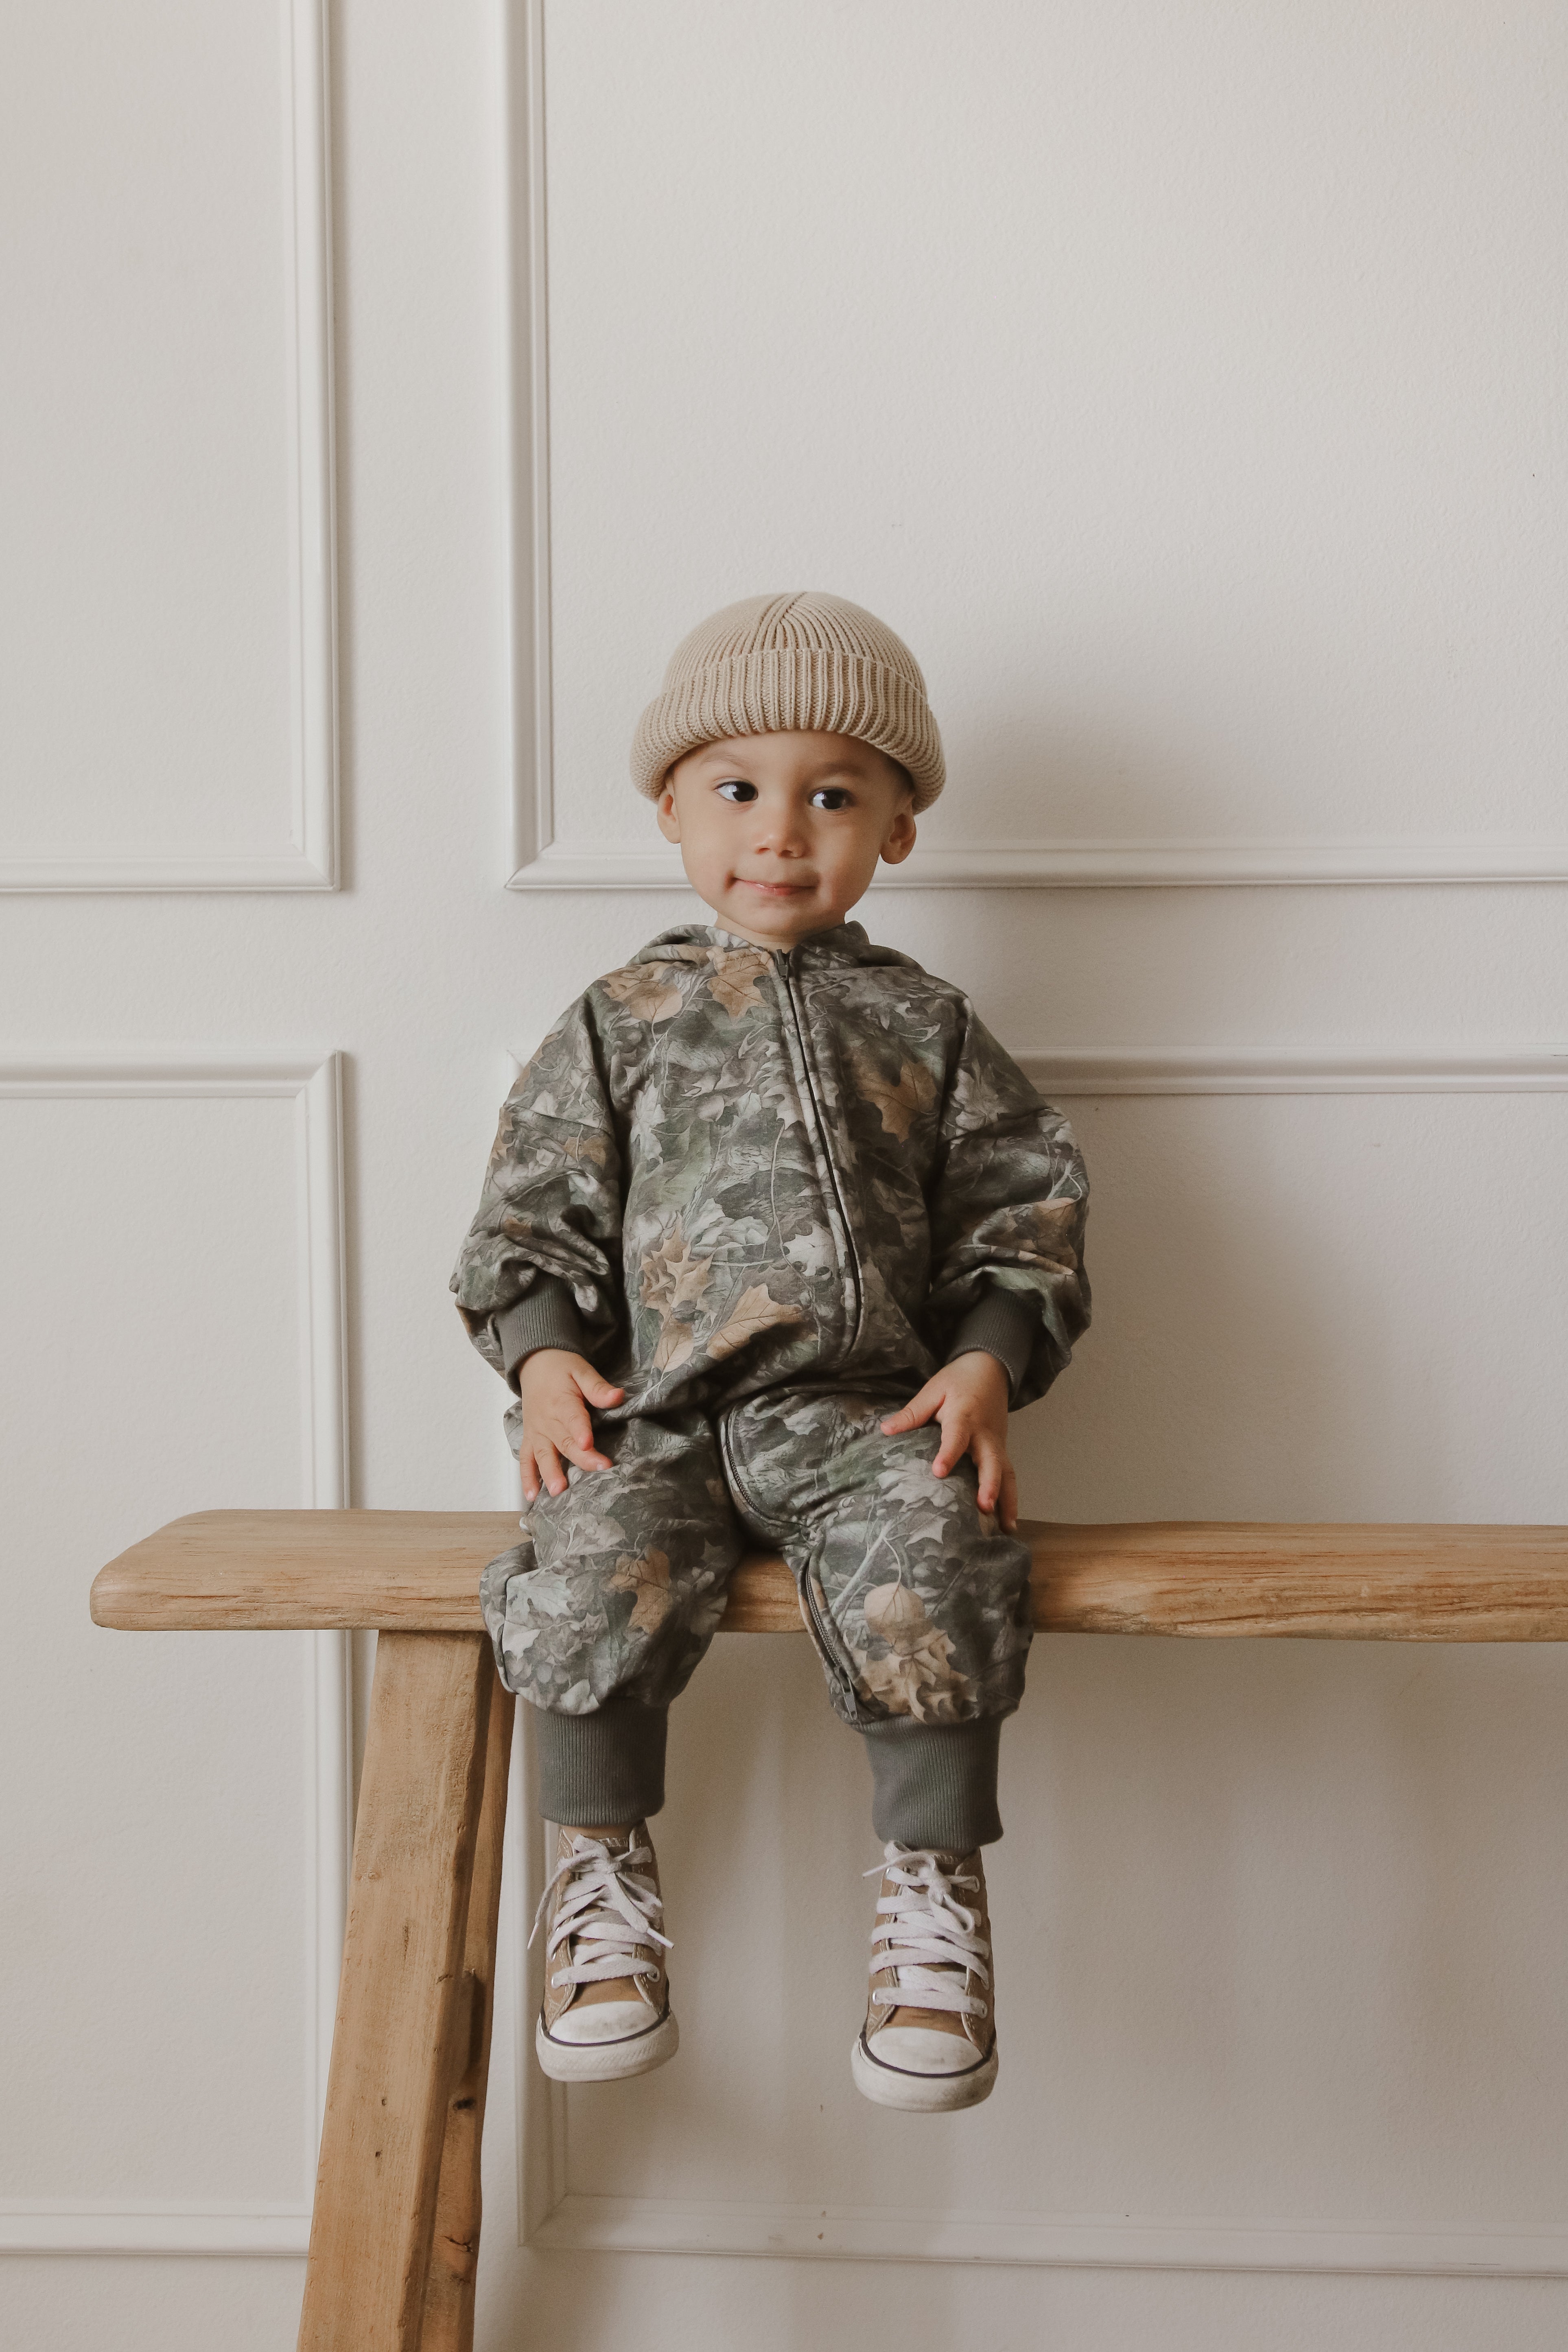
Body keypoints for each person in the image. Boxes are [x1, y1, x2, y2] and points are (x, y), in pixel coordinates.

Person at [451, 592, 1090, 2111]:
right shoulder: (621, 1021)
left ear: (899, 828)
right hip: (652, 1416)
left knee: (940, 1544)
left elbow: (1024, 1213)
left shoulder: (926, 1024)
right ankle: (598, 1879)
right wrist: (544, 1362)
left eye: (832, 794)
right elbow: (525, 1223)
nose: (781, 831)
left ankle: (932, 1899)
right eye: (738, 788)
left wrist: (991, 1359)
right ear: (669, 807)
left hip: (857, 1418)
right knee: (587, 1554)